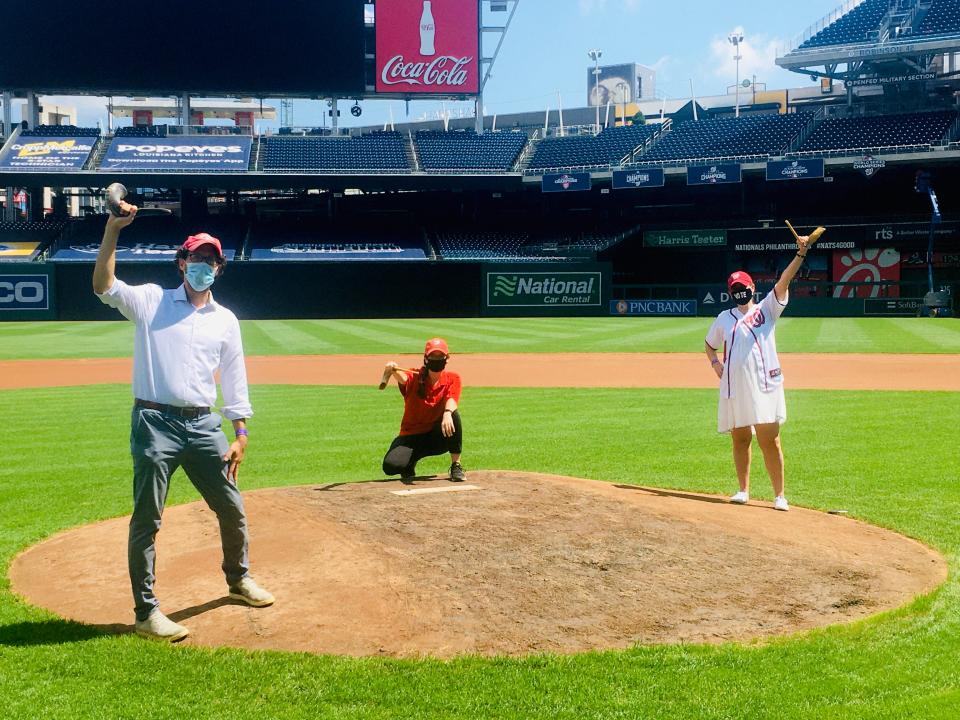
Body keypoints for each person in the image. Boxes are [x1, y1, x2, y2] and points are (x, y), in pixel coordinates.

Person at [93, 203, 273, 642]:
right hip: (155, 422)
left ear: (220, 268)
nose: (203, 266)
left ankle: (238, 579)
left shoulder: (226, 320)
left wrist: (242, 432)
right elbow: (104, 285)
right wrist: (113, 230)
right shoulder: (152, 300)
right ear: (181, 263)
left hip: (204, 426)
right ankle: (146, 612)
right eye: (196, 259)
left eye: (211, 260)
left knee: (231, 507)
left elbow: (234, 378)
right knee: (148, 518)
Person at [704, 233, 814, 512]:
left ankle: (779, 495)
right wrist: (716, 365)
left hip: (765, 386)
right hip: (735, 389)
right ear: (731, 292)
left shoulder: (767, 308)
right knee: (740, 439)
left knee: (770, 440)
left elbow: (784, 281)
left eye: (744, 286)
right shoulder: (724, 318)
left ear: (752, 286)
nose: (740, 291)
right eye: (735, 288)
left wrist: (800, 254)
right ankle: (743, 490)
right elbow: (709, 345)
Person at [381, 338, 466, 482]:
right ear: (426, 359)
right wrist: (393, 369)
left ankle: (456, 465)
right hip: (411, 435)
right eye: (433, 356)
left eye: (440, 356)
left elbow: (452, 399)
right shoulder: (415, 376)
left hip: (436, 436)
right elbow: (403, 379)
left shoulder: (453, 378)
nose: (436, 359)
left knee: (453, 415)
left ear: (447, 358)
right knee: (390, 467)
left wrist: (447, 413)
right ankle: (409, 462)